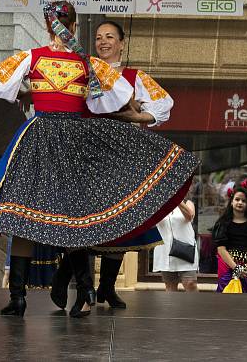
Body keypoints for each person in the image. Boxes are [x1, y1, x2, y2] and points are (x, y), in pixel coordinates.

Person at [0, 1, 199, 318]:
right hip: (56, 140)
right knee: (45, 219)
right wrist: (31, 94)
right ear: (62, 26)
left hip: (57, 141)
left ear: (62, 26)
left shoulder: (62, 61)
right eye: (58, 21)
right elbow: (1, 85)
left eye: (64, 21)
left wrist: (30, 94)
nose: (61, 26)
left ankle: (59, 292)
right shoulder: (63, 60)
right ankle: (47, 293)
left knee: (47, 218)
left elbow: (119, 98)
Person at [49, 19, 177, 310]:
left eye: (110, 37)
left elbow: (162, 107)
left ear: (122, 43)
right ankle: (74, 279)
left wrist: (134, 118)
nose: (103, 41)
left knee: (117, 222)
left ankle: (106, 286)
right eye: (98, 37)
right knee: (81, 220)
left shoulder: (134, 76)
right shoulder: (81, 71)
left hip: (120, 157)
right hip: (84, 155)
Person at [212, 187, 247, 293]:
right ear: (231, 202)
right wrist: (236, 268)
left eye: (244, 201)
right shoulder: (223, 223)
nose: (240, 202)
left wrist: (246, 267)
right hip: (227, 265)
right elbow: (221, 248)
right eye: (237, 199)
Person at [153, 200, 199, 292]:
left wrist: (176, 199)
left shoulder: (187, 202)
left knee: (190, 283)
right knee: (170, 286)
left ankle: (195, 306)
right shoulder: (156, 202)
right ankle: (172, 306)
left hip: (185, 251)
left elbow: (190, 216)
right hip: (165, 251)